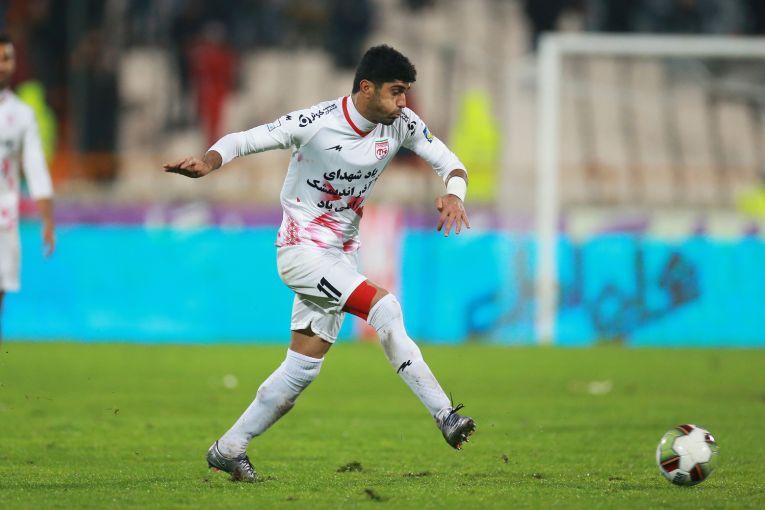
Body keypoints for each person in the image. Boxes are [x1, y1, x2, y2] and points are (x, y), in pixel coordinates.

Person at [163, 44, 474, 482]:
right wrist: (208, 162)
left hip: (341, 254)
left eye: (406, 92)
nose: (404, 102)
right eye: (396, 91)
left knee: (301, 369)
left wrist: (454, 194)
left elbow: (451, 164)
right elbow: (243, 140)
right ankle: (445, 414)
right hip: (301, 251)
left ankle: (230, 447)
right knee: (385, 309)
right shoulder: (316, 123)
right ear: (367, 88)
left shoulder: (401, 124)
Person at [0, 33, 55, 338]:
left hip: (4, 221)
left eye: (6, 58)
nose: (2, 65)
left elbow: (36, 169)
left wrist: (47, 219)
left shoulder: (22, 115)